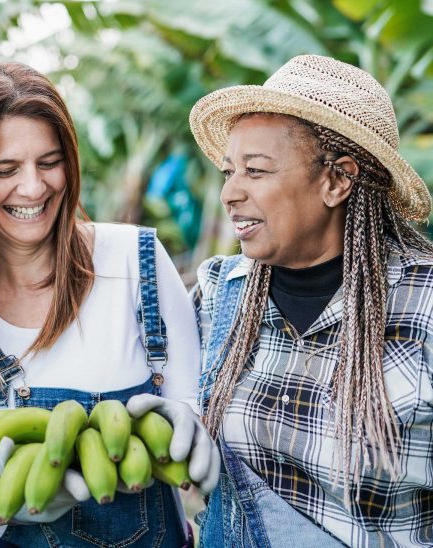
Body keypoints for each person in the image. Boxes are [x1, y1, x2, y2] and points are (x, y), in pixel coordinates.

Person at [0, 55, 219, 547]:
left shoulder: (137, 263)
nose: (33, 187)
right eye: (4, 169)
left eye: (49, 162)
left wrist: (192, 422)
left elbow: (195, 408)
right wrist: (21, 503)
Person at [178, 54, 433, 546]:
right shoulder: (219, 294)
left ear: (337, 180)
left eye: (255, 170)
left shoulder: (421, 305)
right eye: (230, 170)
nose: (230, 192)